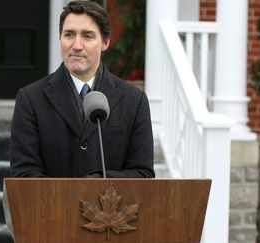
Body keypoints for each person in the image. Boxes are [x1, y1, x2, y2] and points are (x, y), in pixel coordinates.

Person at [10, 0, 154, 178]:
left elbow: (142, 173)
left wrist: (96, 185)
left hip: (109, 205)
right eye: (69, 35)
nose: (76, 46)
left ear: (105, 42)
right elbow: (24, 174)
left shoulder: (134, 100)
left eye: (87, 36)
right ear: (60, 38)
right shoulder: (30, 99)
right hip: (52, 205)